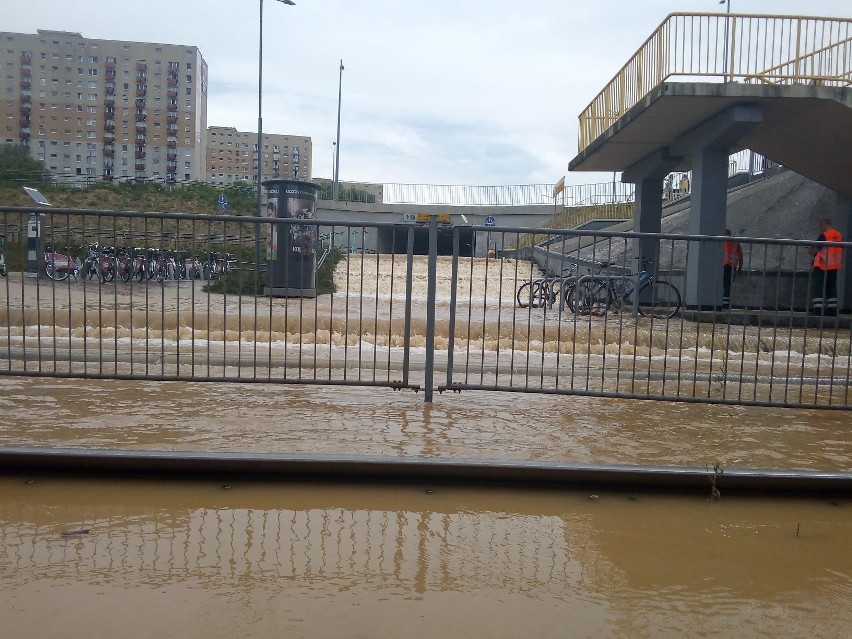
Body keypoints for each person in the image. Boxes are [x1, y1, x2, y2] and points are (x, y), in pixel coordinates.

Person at [810, 218, 843, 316]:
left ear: (824, 224)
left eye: (821, 226)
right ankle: (832, 309)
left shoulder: (824, 235)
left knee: (818, 286)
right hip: (834, 265)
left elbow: (816, 249)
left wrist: (811, 252)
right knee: (831, 287)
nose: (821, 228)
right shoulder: (839, 235)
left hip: (821, 265)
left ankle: (818, 309)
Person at [722, 229, 743, 309]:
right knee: (728, 286)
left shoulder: (722, 240)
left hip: (723, 266)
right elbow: (741, 256)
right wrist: (740, 267)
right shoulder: (736, 243)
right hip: (732, 267)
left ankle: (721, 304)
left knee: (722, 285)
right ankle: (725, 305)